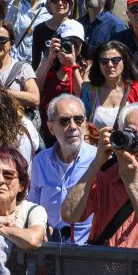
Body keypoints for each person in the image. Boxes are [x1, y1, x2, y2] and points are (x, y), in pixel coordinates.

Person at [60, 103, 138, 253]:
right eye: (130, 134)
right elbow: (69, 215)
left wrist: (133, 184)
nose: (137, 143)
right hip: (101, 264)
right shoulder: (105, 173)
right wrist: (97, 161)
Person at [28, 95, 98, 244]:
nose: (73, 126)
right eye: (64, 121)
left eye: (78, 119)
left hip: (89, 249)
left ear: (85, 123)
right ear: (50, 128)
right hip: (50, 247)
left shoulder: (99, 160)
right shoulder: (41, 161)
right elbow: (33, 205)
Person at [79, 41, 138, 129]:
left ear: (124, 61)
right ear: (98, 65)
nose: (110, 65)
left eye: (115, 60)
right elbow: (81, 124)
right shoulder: (88, 90)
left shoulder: (137, 88)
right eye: (104, 61)